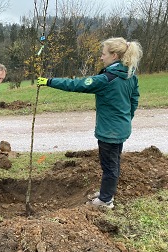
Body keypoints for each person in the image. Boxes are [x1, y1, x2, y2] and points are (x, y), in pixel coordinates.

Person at [37, 37, 143, 209]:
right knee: (113, 163)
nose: (101, 58)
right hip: (120, 129)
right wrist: (125, 118)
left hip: (109, 132)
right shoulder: (130, 75)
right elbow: (134, 100)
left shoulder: (106, 79)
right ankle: (106, 193)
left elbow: (76, 84)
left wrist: (49, 81)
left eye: (103, 54)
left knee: (109, 166)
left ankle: (105, 201)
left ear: (114, 55)